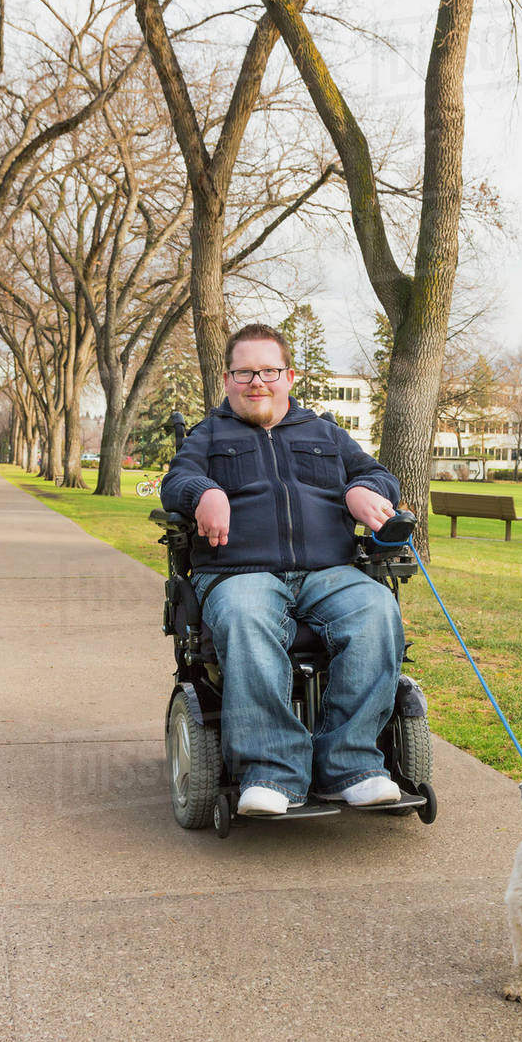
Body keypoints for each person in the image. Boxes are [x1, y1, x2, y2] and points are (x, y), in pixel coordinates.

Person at [160, 323, 404, 816]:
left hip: (328, 570)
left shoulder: (326, 434)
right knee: (247, 616)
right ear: (228, 380)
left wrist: (362, 491)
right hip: (238, 571)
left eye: (268, 371)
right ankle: (271, 772)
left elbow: (378, 475)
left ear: (288, 375)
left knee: (377, 608)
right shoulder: (209, 434)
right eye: (244, 372)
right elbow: (177, 480)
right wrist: (203, 493)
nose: (257, 382)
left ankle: (350, 766)